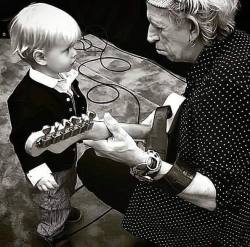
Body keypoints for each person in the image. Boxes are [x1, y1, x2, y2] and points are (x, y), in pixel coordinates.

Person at [76, 0, 250, 246]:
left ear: (192, 28)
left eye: (159, 27)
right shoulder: (235, 42)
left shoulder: (226, 84)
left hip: (230, 222)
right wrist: (123, 129)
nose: (149, 36)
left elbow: (218, 197)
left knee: (94, 166)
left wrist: (138, 159)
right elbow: (194, 113)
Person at [8, 3, 87, 245]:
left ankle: (64, 206)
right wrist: (37, 171)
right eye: (66, 50)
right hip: (48, 166)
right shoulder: (24, 100)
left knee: (68, 183)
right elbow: (21, 139)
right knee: (51, 199)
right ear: (41, 57)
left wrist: (83, 120)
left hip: (66, 154)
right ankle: (52, 230)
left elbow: (75, 101)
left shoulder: (63, 76)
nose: (75, 53)